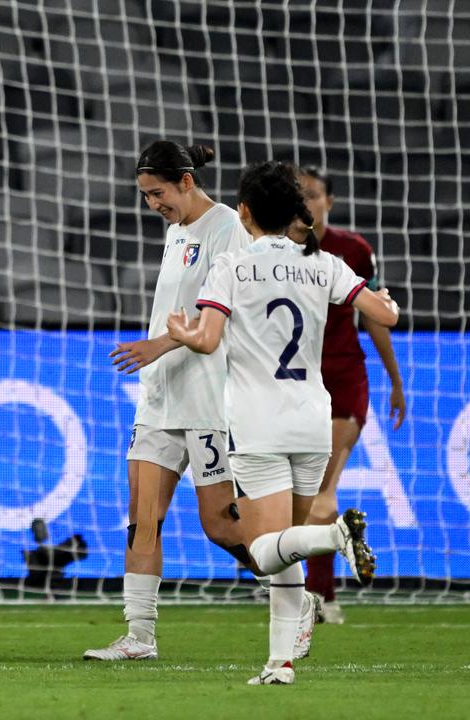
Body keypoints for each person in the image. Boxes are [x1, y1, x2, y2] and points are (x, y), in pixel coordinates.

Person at [166, 159, 395, 685]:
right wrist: (388, 301)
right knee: (288, 543)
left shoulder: (232, 265)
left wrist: (182, 333)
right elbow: (385, 315)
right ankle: (279, 663)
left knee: (264, 552)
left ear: (243, 212)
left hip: (258, 425)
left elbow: (207, 340)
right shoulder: (326, 262)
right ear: (294, 210)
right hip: (313, 422)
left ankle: (334, 534)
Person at [85, 141, 261, 662]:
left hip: (209, 395)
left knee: (220, 524)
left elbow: (218, 315)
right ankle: (140, 637)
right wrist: (156, 359)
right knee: (143, 516)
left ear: (186, 181)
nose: (152, 204)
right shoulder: (177, 230)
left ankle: (293, 587)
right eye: (145, 195)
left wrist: (156, 345)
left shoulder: (227, 227)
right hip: (160, 396)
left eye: (158, 193)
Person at [293, 166, 407, 625]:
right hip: (294, 384)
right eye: (299, 194)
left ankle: (319, 596)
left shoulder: (353, 250)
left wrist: (395, 379)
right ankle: (313, 589)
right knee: (301, 497)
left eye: (314, 194)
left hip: (343, 379)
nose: (307, 201)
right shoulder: (276, 253)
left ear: (330, 202)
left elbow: (375, 316)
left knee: (323, 487)